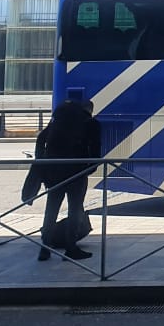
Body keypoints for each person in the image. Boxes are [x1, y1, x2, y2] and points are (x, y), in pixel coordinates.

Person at [35, 98, 102, 261]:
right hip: (76, 172)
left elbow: (40, 139)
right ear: (89, 110)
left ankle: (45, 248)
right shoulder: (91, 123)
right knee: (75, 210)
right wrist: (89, 169)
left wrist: (43, 162)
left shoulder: (59, 121)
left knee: (51, 208)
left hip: (54, 170)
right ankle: (71, 248)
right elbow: (95, 151)